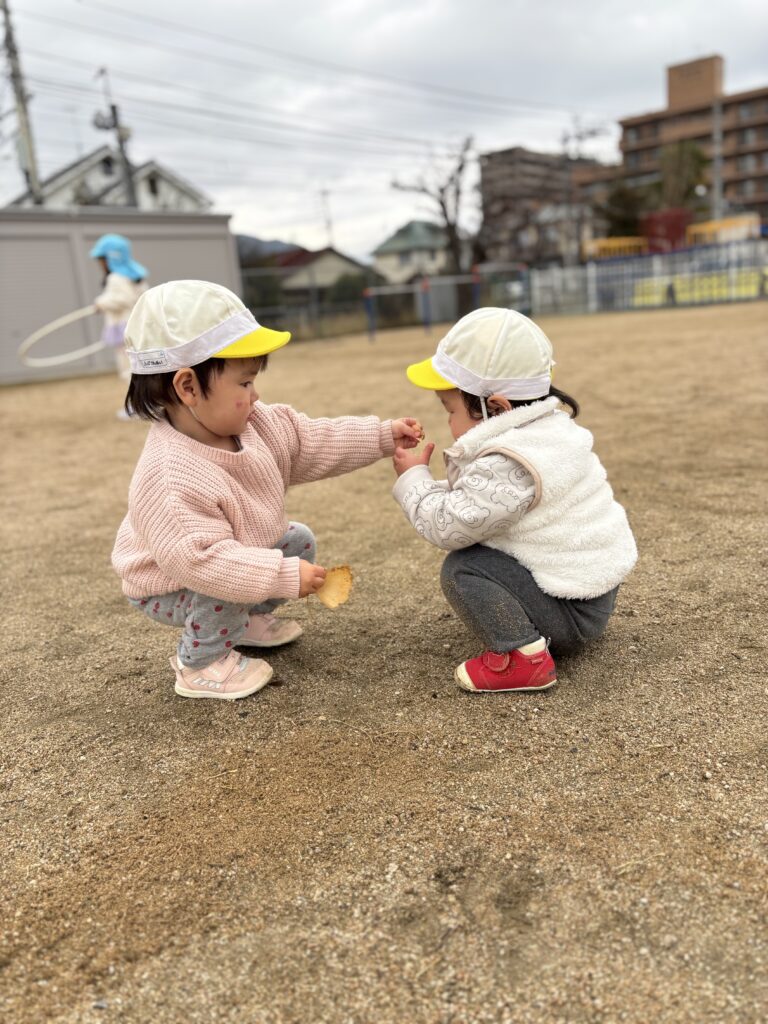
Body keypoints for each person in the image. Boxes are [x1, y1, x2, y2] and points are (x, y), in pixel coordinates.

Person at [112, 279, 422, 701]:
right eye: (244, 383)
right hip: (170, 582)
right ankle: (199, 665)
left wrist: (383, 436)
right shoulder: (171, 476)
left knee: (296, 540)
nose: (255, 395)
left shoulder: (256, 425)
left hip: (225, 557)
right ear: (187, 387)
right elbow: (203, 563)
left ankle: (242, 624)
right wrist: (279, 576)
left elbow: (314, 440)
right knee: (224, 583)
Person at [391, 307, 637, 694]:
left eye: (450, 410)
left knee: (464, 569)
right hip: (591, 597)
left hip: (569, 613)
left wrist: (412, 479)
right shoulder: (550, 432)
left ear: (498, 408)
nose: (449, 422)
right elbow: (476, 504)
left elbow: (449, 526)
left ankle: (523, 660)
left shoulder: (509, 462)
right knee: (479, 561)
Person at [90, 233, 148, 418]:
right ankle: (144, 405)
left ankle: (139, 407)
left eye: (101, 259)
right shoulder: (137, 275)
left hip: (124, 328)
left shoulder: (116, 277)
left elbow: (123, 299)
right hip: (139, 326)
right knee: (141, 367)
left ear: (110, 258)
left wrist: (101, 303)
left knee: (128, 369)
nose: (100, 264)